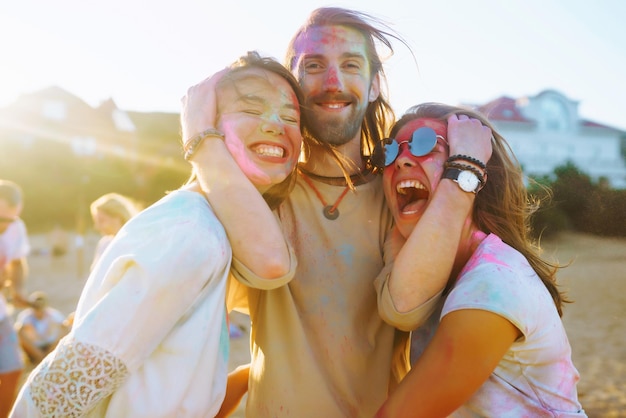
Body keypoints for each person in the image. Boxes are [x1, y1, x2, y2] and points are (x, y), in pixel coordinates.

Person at [196, 8, 492, 417]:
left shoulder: (401, 198)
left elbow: (404, 308)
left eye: (350, 65)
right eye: (314, 65)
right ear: (292, 86)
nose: (333, 83)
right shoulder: (255, 192)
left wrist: (464, 172)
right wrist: (199, 134)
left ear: (374, 85)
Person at [11, 51, 304, 418]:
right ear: (207, 125)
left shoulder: (212, 229)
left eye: (291, 117)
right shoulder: (191, 233)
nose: (276, 124)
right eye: (251, 108)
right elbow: (84, 365)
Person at [374, 103, 586, 417]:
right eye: (390, 151)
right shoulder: (436, 279)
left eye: (426, 144)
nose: (402, 159)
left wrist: (464, 168)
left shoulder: (492, 282)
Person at [0, 180, 30, 418]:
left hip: (1, 313)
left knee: (13, 368)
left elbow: (18, 262)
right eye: (2, 219)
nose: (6, 226)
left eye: (11, 219)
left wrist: (17, 288)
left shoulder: (16, 227)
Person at [14, 291, 69, 365]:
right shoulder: (26, 316)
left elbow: (65, 327)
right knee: (19, 331)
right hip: (34, 347)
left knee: (65, 330)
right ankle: (41, 357)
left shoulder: (53, 314)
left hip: (51, 345)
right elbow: (19, 332)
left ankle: (46, 356)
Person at [89, 192, 139, 270]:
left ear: (118, 217)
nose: (97, 227)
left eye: (101, 221)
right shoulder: (104, 244)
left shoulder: (135, 243)